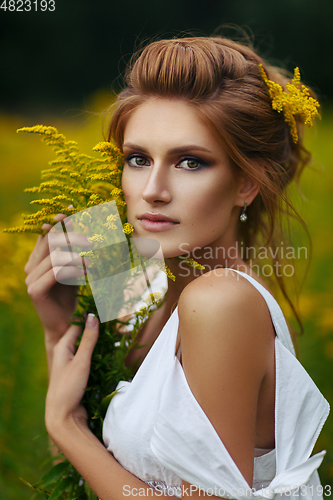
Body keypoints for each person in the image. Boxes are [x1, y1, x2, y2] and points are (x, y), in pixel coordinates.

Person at [24, 36, 329, 499]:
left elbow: (75, 441)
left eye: (190, 162)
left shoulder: (220, 302)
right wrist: (58, 331)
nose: (153, 189)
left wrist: (66, 424)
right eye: (138, 159)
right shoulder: (135, 292)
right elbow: (77, 475)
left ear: (246, 183)